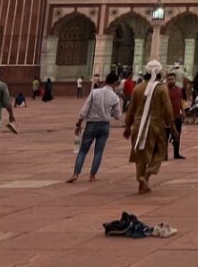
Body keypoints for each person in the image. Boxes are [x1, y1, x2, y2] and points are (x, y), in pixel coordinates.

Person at [124, 60, 176, 194]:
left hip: (138, 126)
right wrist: (172, 125)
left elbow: (131, 109)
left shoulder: (137, 88)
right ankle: (147, 174)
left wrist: (127, 126)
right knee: (161, 151)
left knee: (140, 156)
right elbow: (168, 108)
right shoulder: (161, 88)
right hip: (155, 126)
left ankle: (141, 184)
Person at [68, 72, 122, 182]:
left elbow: (84, 110)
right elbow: (117, 116)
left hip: (91, 124)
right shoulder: (115, 97)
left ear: (105, 80)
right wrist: (109, 112)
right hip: (104, 125)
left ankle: (75, 174)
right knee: (98, 151)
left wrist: (78, 124)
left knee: (83, 150)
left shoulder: (95, 92)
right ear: (115, 83)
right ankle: (92, 176)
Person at [166, 73, 186, 160]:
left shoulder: (179, 90)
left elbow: (180, 101)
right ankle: (164, 154)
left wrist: (183, 112)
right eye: (169, 79)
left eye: (172, 79)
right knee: (165, 136)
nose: (171, 81)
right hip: (167, 117)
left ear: (175, 80)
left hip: (177, 116)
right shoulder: (165, 90)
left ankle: (176, 153)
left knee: (177, 135)